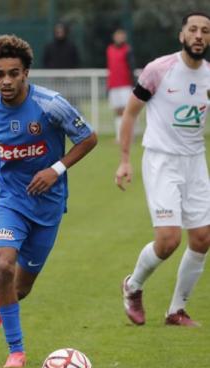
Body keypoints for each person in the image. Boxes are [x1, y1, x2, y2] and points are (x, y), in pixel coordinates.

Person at [0, 35, 97, 368]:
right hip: (9, 199)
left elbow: (88, 138)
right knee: (3, 266)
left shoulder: (51, 104)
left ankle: (1, 305)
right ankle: (16, 351)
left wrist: (56, 170)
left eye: (14, 73)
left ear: (26, 72)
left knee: (22, 286)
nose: (6, 81)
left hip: (48, 204)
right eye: (0, 74)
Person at [115, 12, 210, 327]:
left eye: (205, 31)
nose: (199, 35)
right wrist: (125, 159)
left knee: (202, 238)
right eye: (193, 30)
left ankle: (176, 311)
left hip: (195, 161)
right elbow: (129, 114)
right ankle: (133, 285)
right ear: (182, 35)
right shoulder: (159, 70)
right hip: (161, 160)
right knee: (168, 240)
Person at [106, 28, 135, 142]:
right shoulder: (109, 50)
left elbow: (131, 67)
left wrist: (133, 83)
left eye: (121, 36)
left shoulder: (128, 50)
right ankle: (119, 136)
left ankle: (129, 136)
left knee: (127, 111)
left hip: (125, 84)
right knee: (117, 111)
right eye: (117, 36)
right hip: (113, 85)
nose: (119, 38)